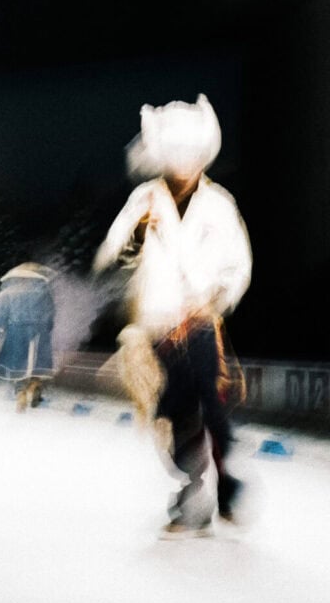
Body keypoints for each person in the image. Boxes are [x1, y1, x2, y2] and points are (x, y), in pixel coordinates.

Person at [93, 93, 252, 537]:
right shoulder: (144, 199)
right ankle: (193, 493)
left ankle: (224, 488)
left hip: (200, 325)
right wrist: (137, 235)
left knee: (212, 408)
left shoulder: (219, 204)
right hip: (157, 329)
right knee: (174, 414)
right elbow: (111, 254)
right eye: (176, 154)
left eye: (192, 154)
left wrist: (215, 298)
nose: (185, 164)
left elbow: (239, 265)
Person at [0, 263, 56, 412]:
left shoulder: (10, 290)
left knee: (18, 363)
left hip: (16, 330)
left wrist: (0, 327)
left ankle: (21, 393)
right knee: (37, 361)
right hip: (39, 329)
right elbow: (50, 311)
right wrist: (48, 327)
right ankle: (35, 384)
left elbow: (1, 311)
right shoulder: (42, 289)